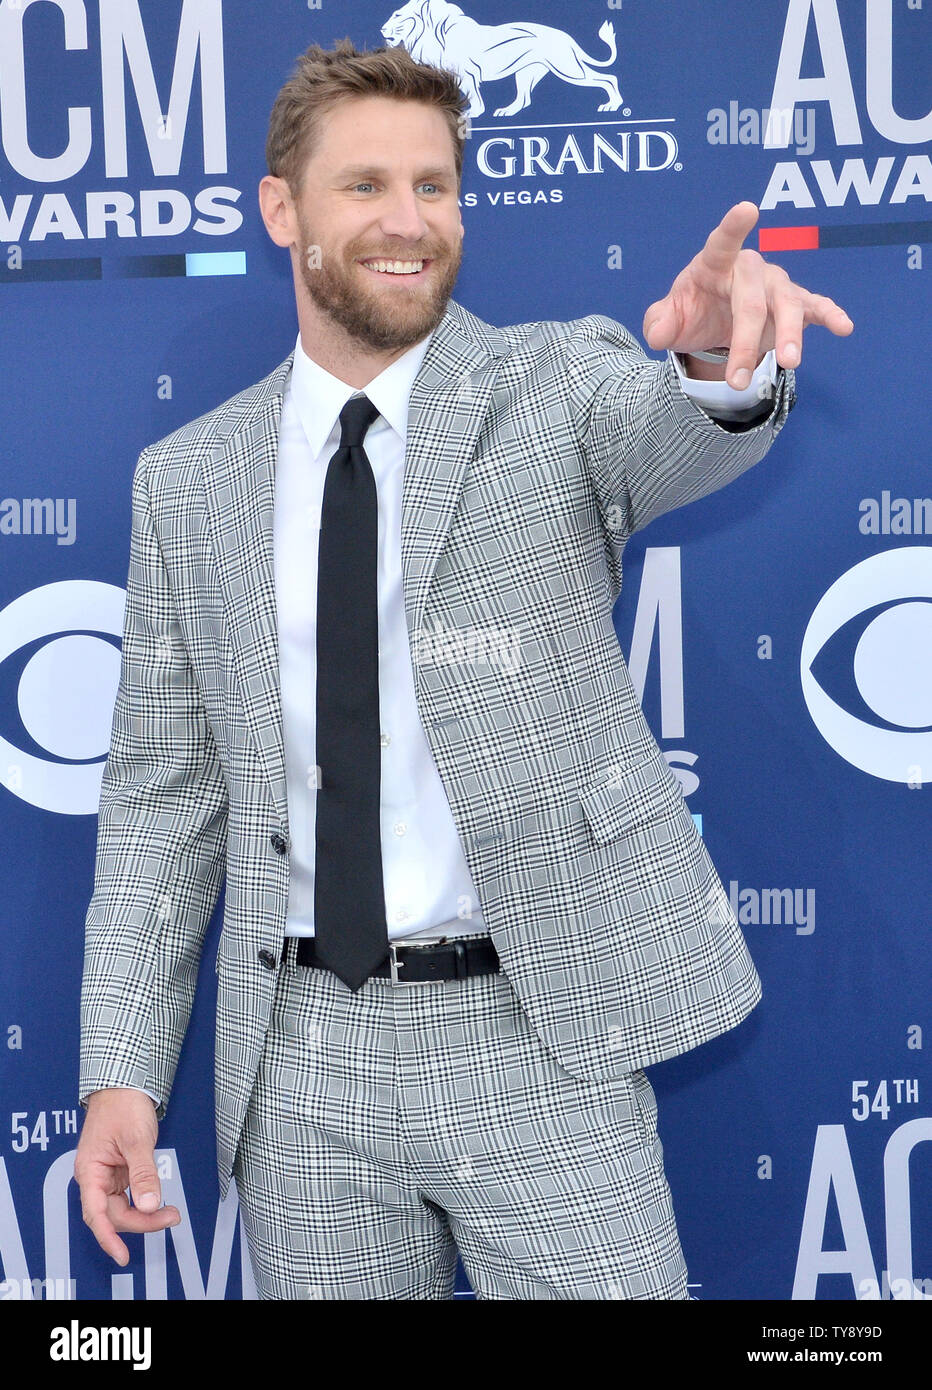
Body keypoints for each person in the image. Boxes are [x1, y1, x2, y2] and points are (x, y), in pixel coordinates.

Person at [74, 38, 853, 1300]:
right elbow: (163, 800)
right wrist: (121, 1069)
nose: (408, 222)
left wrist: (712, 368)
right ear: (282, 209)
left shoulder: (551, 384)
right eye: (366, 186)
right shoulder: (188, 478)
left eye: (434, 186)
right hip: (300, 1062)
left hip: (542, 1033)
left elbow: (663, 428)